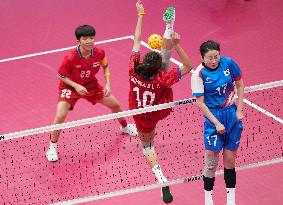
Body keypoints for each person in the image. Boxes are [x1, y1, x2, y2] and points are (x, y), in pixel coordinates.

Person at [129, 1, 193, 203]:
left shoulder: (133, 69)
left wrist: (140, 16)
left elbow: (137, 40)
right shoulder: (163, 77)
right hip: (160, 110)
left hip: (141, 114)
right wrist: (176, 45)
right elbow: (188, 66)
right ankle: (169, 27)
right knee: (166, 65)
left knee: (147, 146)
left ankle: (160, 177)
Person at [46, 24, 138, 162]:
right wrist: (76, 86)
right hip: (70, 87)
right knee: (60, 115)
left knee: (115, 105)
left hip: (90, 85)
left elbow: (105, 65)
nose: (89, 41)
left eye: (91, 38)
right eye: (85, 38)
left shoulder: (99, 52)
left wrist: (107, 83)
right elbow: (60, 75)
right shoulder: (70, 58)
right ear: (78, 41)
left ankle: (125, 127)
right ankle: (52, 147)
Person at [191, 40, 244, 205]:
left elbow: (240, 85)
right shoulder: (198, 74)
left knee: (229, 160)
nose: (214, 61)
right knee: (211, 161)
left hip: (231, 114)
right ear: (202, 57)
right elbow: (200, 102)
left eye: (216, 56)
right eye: (210, 58)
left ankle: (231, 200)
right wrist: (216, 123)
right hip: (213, 117)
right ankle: (208, 198)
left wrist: (239, 109)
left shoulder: (228, 63)